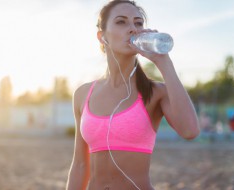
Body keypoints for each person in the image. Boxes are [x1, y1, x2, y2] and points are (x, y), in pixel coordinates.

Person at [66, 1, 200, 189]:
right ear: (102, 36)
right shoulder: (83, 94)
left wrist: (163, 61)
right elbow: (80, 164)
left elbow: (190, 131)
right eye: (121, 22)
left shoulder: (155, 92)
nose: (133, 29)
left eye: (138, 23)